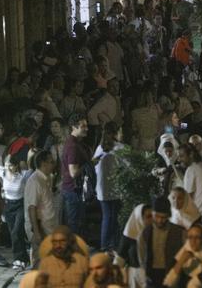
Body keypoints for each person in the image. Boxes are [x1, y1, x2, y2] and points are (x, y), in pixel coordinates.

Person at [139, 197, 186, 287]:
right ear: (153, 214)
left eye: (163, 217)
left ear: (168, 216)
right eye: (157, 216)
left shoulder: (179, 232)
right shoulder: (145, 232)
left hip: (172, 273)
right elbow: (142, 256)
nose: (160, 220)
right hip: (152, 275)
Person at [25, 150, 59, 265]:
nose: (54, 164)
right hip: (40, 228)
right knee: (39, 261)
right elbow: (32, 208)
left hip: (49, 227)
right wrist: (37, 231)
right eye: (51, 162)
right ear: (43, 164)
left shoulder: (47, 178)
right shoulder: (34, 181)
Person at [94, 121, 124, 250]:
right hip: (115, 189)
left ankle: (105, 245)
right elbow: (127, 167)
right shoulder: (120, 148)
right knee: (114, 218)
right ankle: (111, 245)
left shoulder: (100, 148)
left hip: (101, 189)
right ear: (115, 133)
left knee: (107, 217)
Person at [61, 115, 90, 235]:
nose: (86, 128)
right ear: (74, 127)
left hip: (75, 189)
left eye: (86, 125)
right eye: (83, 126)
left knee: (77, 222)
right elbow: (73, 172)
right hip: (73, 190)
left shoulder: (75, 143)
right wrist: (89, 165)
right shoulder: (73, 146)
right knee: (74, 223)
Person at [0, 152, 29, 268]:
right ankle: (24, 258)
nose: (9, 168)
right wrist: (1, 157)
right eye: (7, 165)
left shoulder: (23, 175)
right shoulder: (3, 172)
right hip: (8, 205)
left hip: (20, 204)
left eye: (11, 165)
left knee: (16, 231)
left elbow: (32, 171)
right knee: (14, 233)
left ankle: (18, 259)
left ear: (16, 165)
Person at [118, 204, 153, 288]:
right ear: (139, 218)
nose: (152, 219)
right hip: (134, 278)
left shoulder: (156, 233)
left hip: (152, 277)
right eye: (148, 216)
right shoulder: (130, 234)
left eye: (152, 216)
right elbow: (120, 258)